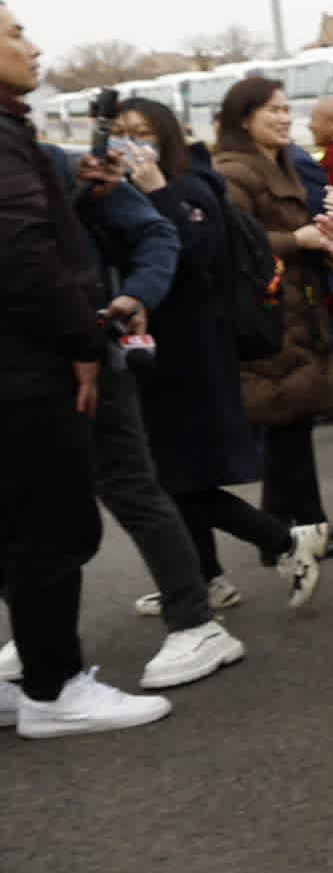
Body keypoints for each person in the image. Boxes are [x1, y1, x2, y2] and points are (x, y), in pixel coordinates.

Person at [0, 0, 168, 738]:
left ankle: (37, 679)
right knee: (47, 527)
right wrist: (82, 343)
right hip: (28, 370)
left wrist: (75, 191)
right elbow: (21, 258)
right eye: (13, 33)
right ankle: (54, 686)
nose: (33, 47)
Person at [102, 96, 319, 640]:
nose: (132, 144)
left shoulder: (194, 185)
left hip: (192, 350)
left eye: (144, 132)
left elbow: (198, 253)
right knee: (175, 473)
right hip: (149, 349)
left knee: (172, 477)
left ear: (167, 137)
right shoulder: (111, 189)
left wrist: (157, 190)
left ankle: (282, 540)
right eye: (121, 133)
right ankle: (207, 576)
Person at [63, 120, 254, 687]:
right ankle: (40, 635)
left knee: (140, 486)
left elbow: (177, 242)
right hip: (39, 364)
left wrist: (134, 293)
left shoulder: (57, 161)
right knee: (35, 505)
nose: (32, 45)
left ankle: (196, 617)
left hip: (104, 355)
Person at [212, 75, 333, 545]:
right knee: (285, 418)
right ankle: (300, 528)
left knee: (293, 421)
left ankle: (295, 524)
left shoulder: (283, 163)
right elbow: (232, 245)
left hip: (298, 306)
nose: (285, 118)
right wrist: (297, 241)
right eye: (273, 110)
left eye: (287, 108)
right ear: (244, 119)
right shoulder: (232, 171)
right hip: (268, 312)